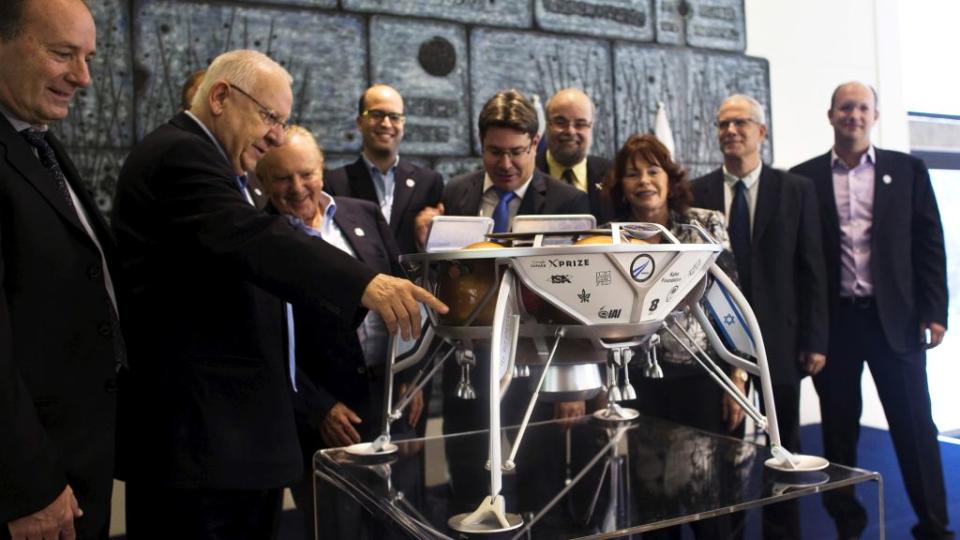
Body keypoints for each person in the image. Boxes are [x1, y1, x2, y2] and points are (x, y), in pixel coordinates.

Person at [111, 50, 446, 539]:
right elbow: (257, 241)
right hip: (201, 446)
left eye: (284, 122)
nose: (276, 136)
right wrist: (365, 282)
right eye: (270, 117)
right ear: (222, 97)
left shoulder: (218, 166)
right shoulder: (181, 156)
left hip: (234, 445)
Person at [791, 81, 952, 540]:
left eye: (862, 108)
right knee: (839, 434)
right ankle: (849, 526)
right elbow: (801, 263)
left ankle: (935, 526)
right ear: (830, 115)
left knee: (916, 428)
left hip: (895, 323)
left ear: (874, 116)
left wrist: (934, 311)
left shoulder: (908, 171)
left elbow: (929, 244)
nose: (853, 115)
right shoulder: (803, 179)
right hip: (836, 325)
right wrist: (808, 333)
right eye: (845, 107)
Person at [256, 125, 424, 539]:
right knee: (338, 528)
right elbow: (267, 341)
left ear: (322, 169)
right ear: (262, 183)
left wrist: (412, 375)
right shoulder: (259, 239)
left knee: (407, 525)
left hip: (391, 403)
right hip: (326, 422)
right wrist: (317, 408)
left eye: (306, 174)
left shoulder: (363, 213)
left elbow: (404, 293)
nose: (297, 188)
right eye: (281, 178)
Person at [0, 1, 122, 538]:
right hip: (32, 483)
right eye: (62, 54)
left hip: (77, 457)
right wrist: (29, 483)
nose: (83, 77)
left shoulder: (37, 141)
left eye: (88, 57)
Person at [691, 94, 828, 540]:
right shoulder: (697, 193)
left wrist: (816, 339)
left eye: (741, 123)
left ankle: (782, 532)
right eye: (722, 124)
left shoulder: (796, 190)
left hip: (780, 344)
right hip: (717, 345)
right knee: (723, 448)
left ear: (761, 132)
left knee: (784, 450)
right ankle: (727, 531)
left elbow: (813, 269)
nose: (730, 131)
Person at [601, 133, 743, 540]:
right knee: (653, 505)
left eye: (653, 170)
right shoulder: (610, 237)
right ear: (622, 186)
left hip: (703, 378)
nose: (644, 180)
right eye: (632, 174)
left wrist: (737, 375)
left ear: (669, 177)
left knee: (708, 501)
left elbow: (728, 303)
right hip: (640, 384)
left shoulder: (705, 224)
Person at [325, 84, 444, 255]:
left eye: (394, 116)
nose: (386, 123)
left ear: (403, 124)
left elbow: (437, 252)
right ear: (360, 122)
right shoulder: (334, 183)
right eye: (376, 115)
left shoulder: (429, 182)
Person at [536, 87, 613, 221]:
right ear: (547, 125)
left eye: (580, 124)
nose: (570, 131)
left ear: (591, 127)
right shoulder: (528, 173)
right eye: (560, 122)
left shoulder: (611, 175)